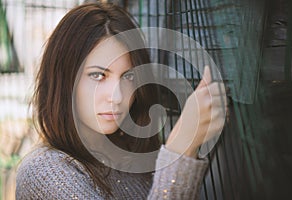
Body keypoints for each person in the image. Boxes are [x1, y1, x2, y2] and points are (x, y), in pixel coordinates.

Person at [16, 2, 227, 199]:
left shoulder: (131, 157)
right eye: (98, 75)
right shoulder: (43, 171)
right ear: (64, 81)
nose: (116, 97)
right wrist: (179, 150)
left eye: (128, 76)